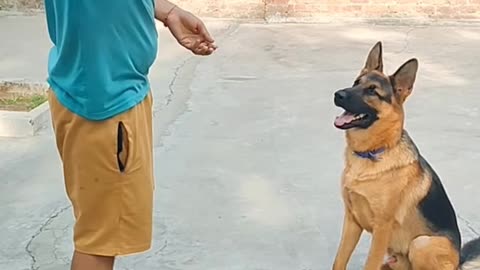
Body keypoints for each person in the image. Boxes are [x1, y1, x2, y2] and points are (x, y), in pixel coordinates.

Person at [44, 0, 217, 269]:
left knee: (100, 235)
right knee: (99, 243)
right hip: (104, 104)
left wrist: (165, 10)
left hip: (103, 90)